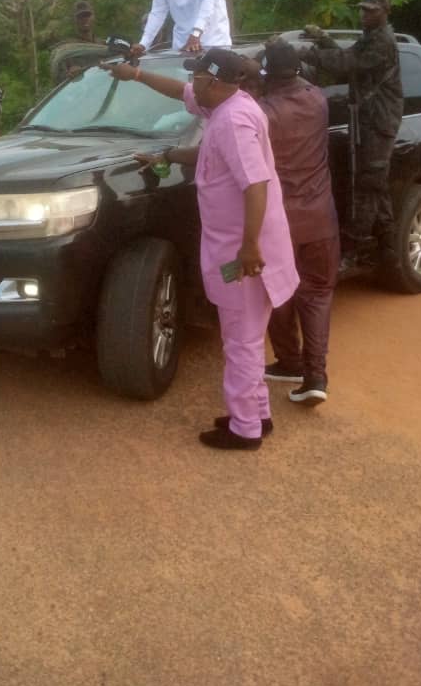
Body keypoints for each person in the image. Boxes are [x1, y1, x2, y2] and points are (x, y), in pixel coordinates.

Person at [104, 49, 298, 450]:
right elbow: (180, 95)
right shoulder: (228, 104)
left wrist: (248, 248)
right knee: (246, 336)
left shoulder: (234, 121)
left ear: (214, 82)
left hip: (243, 256)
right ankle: (258, 414)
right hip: (238, 248)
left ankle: (244, 429)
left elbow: (255, 184)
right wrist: (137, 76)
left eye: (197, 80)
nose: (191, 86)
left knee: (240, 341)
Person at [256, 40, 340, 405]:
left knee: (278, 291)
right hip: (321, 217)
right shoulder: (318, 100)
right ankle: (315, 375)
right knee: (318, 292)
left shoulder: (262, 112)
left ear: (266, 75)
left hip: (281, 221)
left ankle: (289, 360)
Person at [300, 0, 403, 271]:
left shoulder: (383, 41)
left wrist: (306, 53)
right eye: (362, 9)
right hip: (367, 120)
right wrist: (323, 39)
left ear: (385, 12)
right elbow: (347, 57)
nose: (364, 14)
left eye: (371, 10)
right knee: (376, 188)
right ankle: (390, 255)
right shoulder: (370, 37)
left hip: (378, 123)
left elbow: (347, 64)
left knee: (366, 186)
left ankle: (352, 251)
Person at [49, 0, 109, 84]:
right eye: (80, 16)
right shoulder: (68, 49)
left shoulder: (104, 45)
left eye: (87, 15)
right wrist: (70, 73)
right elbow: (59, 79)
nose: (85, 19)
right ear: (74, 20)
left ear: (93, 17)